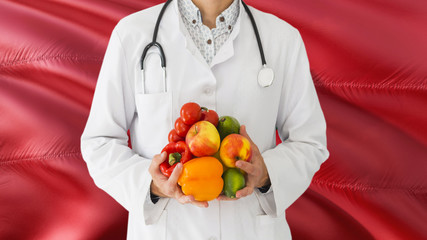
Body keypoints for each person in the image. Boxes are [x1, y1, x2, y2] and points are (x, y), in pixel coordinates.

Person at [80, 0, 329, 239]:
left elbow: (309, 141)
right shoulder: (132, 35)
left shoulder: (283, 39)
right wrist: (152, 186)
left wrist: (266, 175)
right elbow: (100, 142)